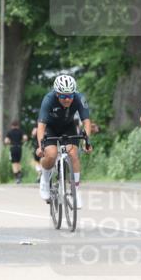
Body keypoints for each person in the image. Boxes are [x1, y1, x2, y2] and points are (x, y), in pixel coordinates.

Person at [36, 74, 93, 208]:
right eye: (63, 96)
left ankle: (76, 191)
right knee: (51, 154)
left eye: (70, 96)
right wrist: (41, 146)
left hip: (68, 127)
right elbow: (41, 126)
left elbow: (86, 121)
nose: (67, 99)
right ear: (57, 94)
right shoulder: (48, 99)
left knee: (73, 154)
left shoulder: (79, 98)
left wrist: (86, 141)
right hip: (50, 128)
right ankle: (44, 179)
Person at [4, 120, 27, 184]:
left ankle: (17, 177)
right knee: (18, 162)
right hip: (19, 147)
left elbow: (6, 141)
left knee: (14, 163)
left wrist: (9, 142)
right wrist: (21, 141)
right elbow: (25, 138)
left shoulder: (9, 132)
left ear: (12, 126)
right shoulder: (20, 131)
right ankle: (19, 175)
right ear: (18, 125)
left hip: (13, 147)